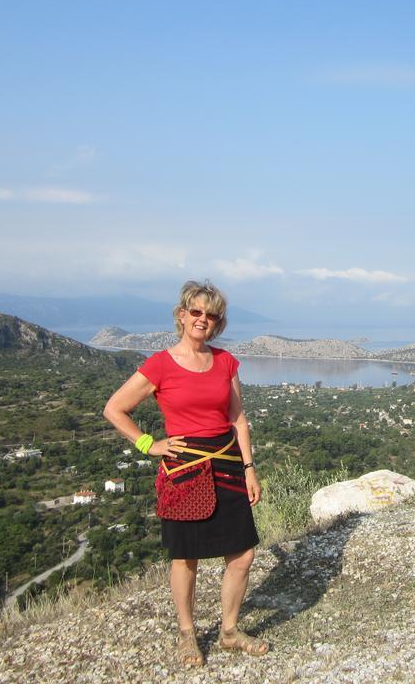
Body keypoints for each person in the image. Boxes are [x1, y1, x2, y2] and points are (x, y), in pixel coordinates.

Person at [103, 280, 269, 666]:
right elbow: (115, 409)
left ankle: (229, 631)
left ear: (218, 324)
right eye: (196, 312)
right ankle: (187, 634)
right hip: (185, 468)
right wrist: (148, 444)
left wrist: (250, 468)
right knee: (185, 557)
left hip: (227, 463)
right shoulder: (159, 364)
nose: (202, 320)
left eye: (211, 315)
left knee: (242, 554)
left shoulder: (226, 362)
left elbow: (238, 420)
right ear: (181, 316)